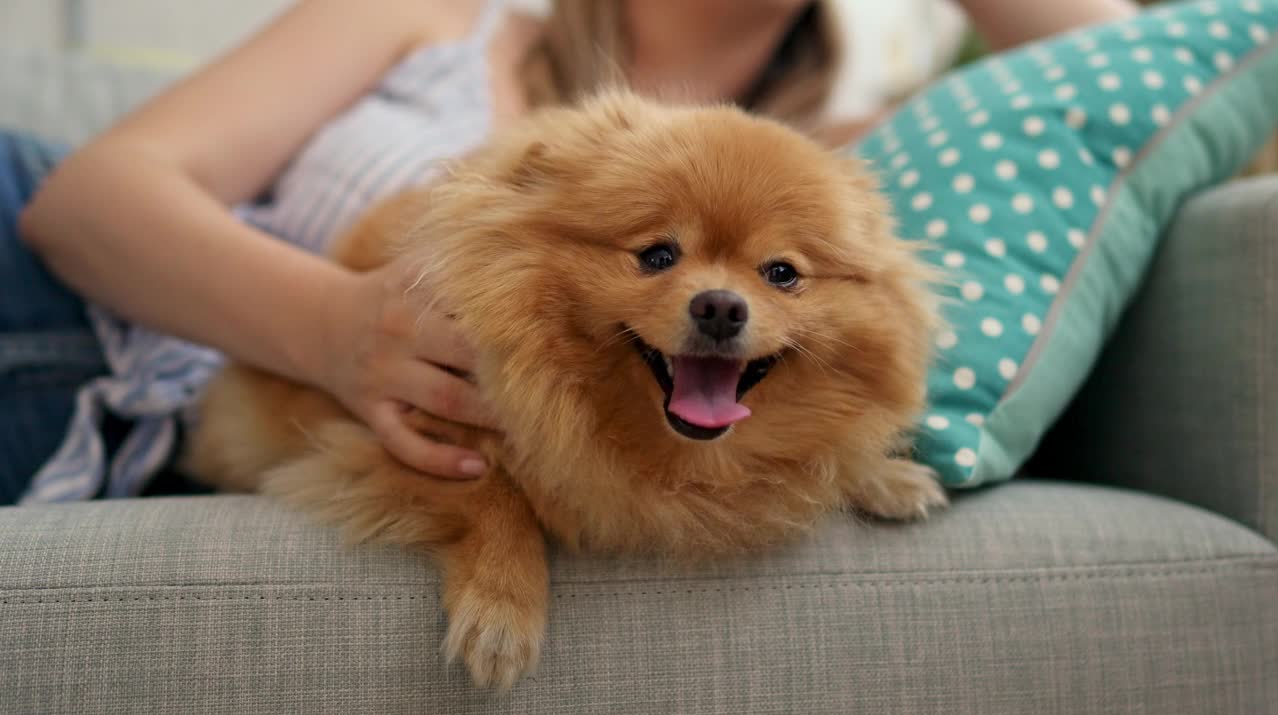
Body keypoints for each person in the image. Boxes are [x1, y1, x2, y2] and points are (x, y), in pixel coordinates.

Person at [0, 0, 1137, 505]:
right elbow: (85, 201)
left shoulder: (832, 153)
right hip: (69, 301)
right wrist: (338, 331)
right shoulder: (443, 16)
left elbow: (1138, 80)